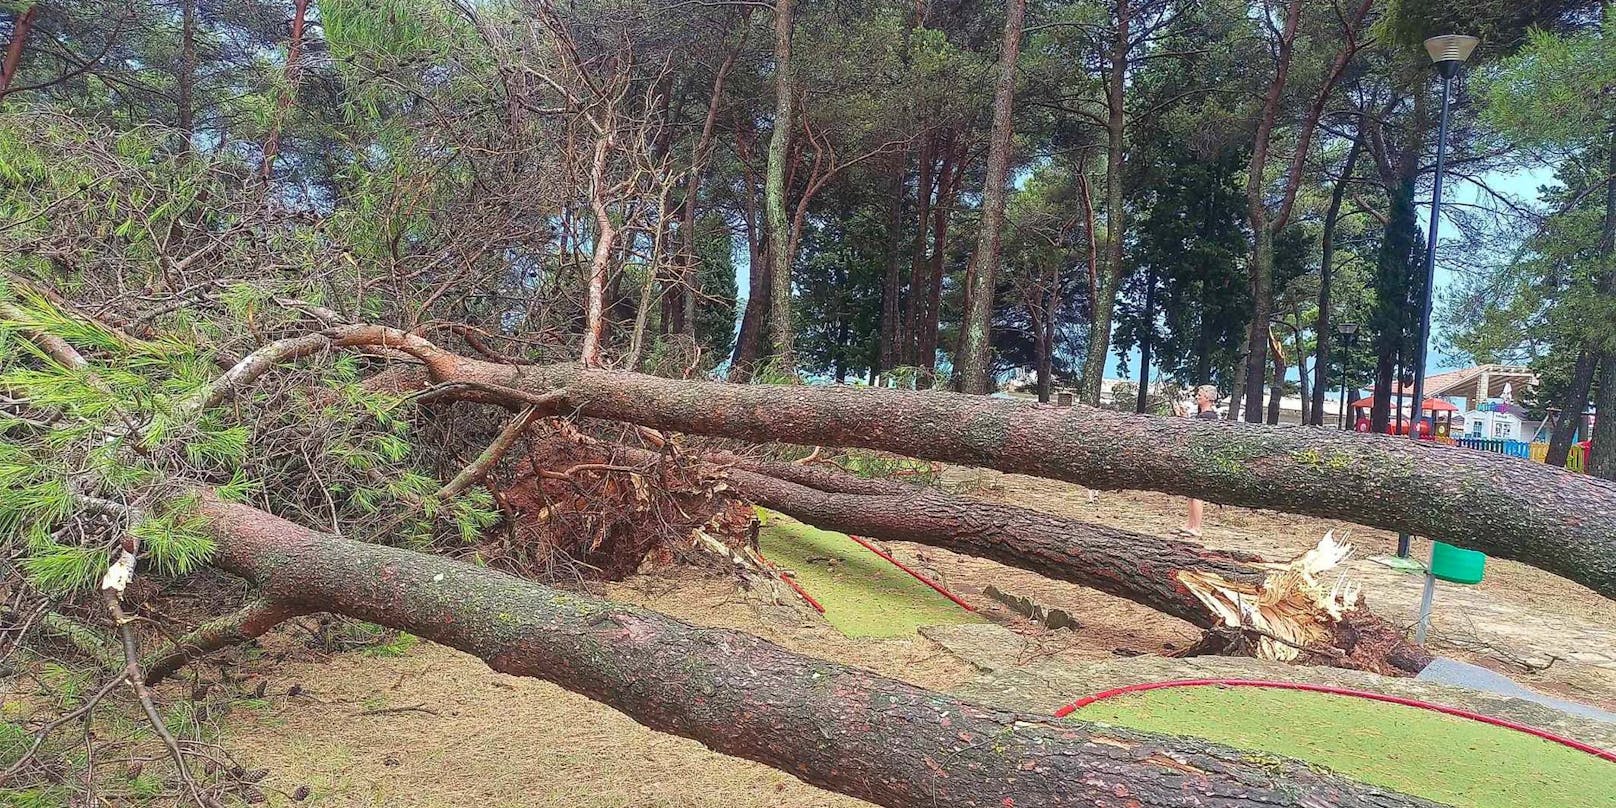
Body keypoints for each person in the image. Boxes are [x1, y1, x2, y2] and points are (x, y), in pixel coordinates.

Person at [1178, 384, 1219, 537]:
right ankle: (1190, 524)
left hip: (1203, 460)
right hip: (1198, 459)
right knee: (1191, 493)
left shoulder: (1209, 417)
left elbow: (1195, 435)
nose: (1197, 397)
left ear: (1208, 398)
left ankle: (1196, 527)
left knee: (1197, 494)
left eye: (1200, 395)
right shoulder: (1203, 417)